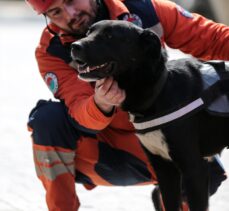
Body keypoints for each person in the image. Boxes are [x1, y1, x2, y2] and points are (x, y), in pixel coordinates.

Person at [25, 0, 229, 210]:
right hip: (105, 153)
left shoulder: (146, 10)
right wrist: (100, 104)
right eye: (55, 12)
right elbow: (78, 108)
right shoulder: (51, 51)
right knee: (47, 120)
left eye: (71, 1)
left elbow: (213, 38)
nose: (70, 15)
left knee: (199, 173)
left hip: (166, 139)